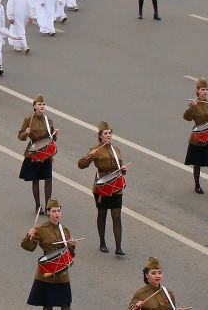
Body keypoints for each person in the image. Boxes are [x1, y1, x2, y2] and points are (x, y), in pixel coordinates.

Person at [77, 122, 128, 255]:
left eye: (110, 133)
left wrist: (123, 170)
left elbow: (120, 167)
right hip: (102, 186)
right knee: (102, 214)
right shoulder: (95, 149)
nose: (108, 135)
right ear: (100, 136)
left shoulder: (116, 149)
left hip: (116, 186)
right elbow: (81, 164)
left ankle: (118, 247)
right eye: (105, 133)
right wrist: (90, 156)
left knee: (116, 215)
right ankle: (102, 242)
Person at [21, 199, 77, 309]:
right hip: (47, 273)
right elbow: (29, 247)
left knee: (66, 305)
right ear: (48, 212)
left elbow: (70, 254)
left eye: (59, 211)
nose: (57, 214)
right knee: (48, 306)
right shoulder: (41, 229)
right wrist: (29, 235)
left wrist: (71, 245)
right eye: (54, 211)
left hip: (62, 274)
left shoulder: (64, 230)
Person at [19, 96, 60, 215]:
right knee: (35, 179)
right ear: (34, 106)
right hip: (34, 152)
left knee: (48, 179)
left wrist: (55, 134)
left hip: (45, 152)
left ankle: (48, 205)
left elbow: (51, 137)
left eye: (43, 104)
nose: (42, 106)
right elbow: (20, 136)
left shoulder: (48, 120)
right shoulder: (29, 119)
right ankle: (37, 204)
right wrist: (25, 133)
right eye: (40, 104)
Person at [184, 78, 208, 196]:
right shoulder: (194, 104)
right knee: (197, 163)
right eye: (202, 89)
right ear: (197, 91)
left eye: (206, 89)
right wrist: (192, 107)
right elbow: (187, 117)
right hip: (198, 139)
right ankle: (197, 185)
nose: (205, 91)